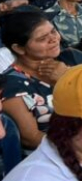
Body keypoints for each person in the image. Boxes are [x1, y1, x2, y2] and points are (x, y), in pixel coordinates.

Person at [0, 12, 67, 149]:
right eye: (42, 39)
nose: (53, 39)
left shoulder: (65, 62)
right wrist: (79, 146)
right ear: (19, 48)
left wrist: (68, 77)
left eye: (53, 31)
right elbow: (31, 138)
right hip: (51, 156)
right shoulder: (12, 86)